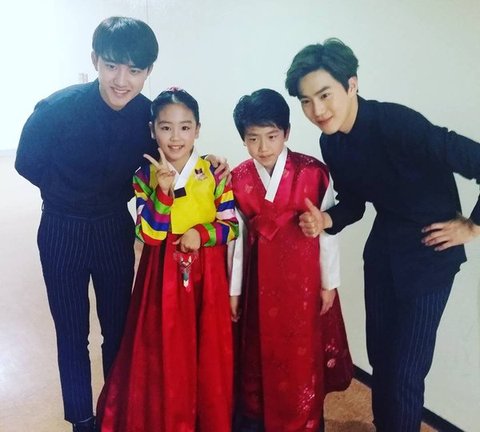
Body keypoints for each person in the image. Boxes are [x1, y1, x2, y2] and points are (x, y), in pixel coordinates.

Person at [285, 38, 480, 432]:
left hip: (429, 254)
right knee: (381, 358)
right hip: (383, 251)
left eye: (324, 95)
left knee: (406, 371)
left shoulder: (397, 123)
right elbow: (354, 203)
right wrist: (326, 220)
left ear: (351, 85)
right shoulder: (331, 141)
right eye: (306, 101)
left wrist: (472, 226)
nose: (317, 110)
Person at [15, 16, 159, 432]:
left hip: (114, 226)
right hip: (62, 227)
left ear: (148, 71)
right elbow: (26, 162)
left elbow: (174, 148)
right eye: (112, 66)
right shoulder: (57, 109)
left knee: (118, 329)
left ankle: (115, 411)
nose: (121, 80)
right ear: (95, 60)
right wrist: (66, 192)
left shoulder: (148, 116)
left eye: (134, 70)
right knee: (72, 332)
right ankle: (82, 419)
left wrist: (212, 163)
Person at [96, 87, 238, 432]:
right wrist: (162, 193)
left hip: (207, 274)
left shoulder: (214, 173)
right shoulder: (144, 176)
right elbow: (150, 235)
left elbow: (231, 225)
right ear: (152, 130)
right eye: (166, 127)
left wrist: (201, 234)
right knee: (162, 346)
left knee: (207, 347)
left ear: (198, 130)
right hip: (160, 275)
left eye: (185, 127)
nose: (176, 137)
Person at [229, 88, 352, 432]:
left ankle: (305, 420)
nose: (263, 147)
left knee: (302, 354)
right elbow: (236, 241)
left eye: (272, 136)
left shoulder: (314, 173)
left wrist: (329, 283)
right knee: (258, 353)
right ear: (243, 139)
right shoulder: (238, 179)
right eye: (253, 138)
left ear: (286, 132)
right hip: (258, 283)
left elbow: (328, 232)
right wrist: (234, 291)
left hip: (304, 283)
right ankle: (257, 420)